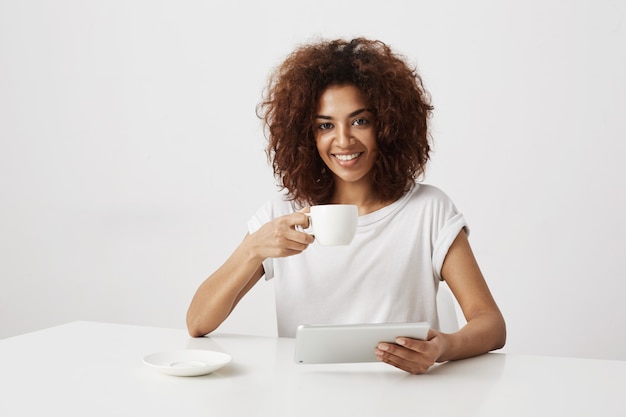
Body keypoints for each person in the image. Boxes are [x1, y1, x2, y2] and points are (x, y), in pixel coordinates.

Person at [187, 37, 506, 374]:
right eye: (325, 125)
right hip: (305, 398)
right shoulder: (283, 216)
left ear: (387, 124)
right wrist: (252, 249)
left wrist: (443, 346)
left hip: (407, 398)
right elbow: (197, 322)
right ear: (306, 135)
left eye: (359, 121)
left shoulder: (428, 209)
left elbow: (491, 324)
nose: (343, 140)